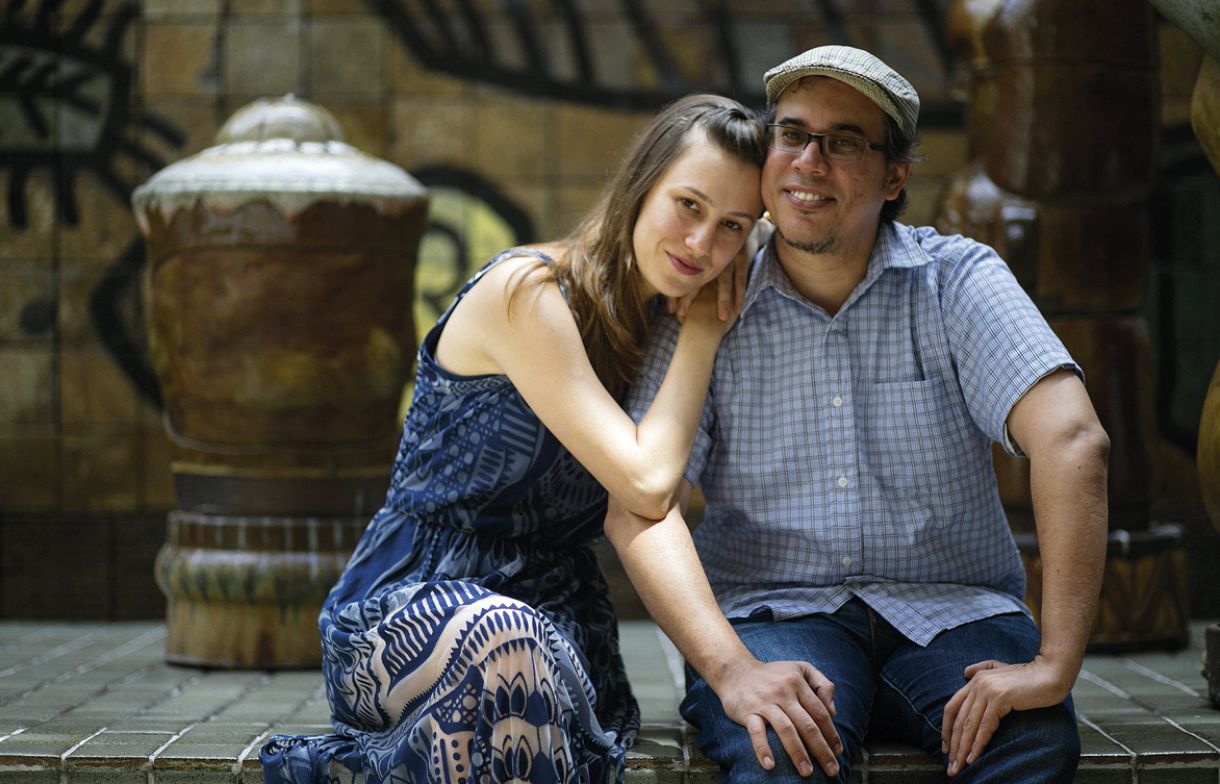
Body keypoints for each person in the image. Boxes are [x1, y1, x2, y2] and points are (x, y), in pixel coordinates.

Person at [606, 46, 1110, 783]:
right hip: (775, 616)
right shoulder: (708, 288)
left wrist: (1056, 666)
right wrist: (732, 670)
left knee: (1031, 737)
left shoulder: (957, 282)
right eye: (792, 133)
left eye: (843, 142)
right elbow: (642, 504)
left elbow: (1073, 441)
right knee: (776, 746)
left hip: (954, 613)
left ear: (896, 173)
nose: (809, 160)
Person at [259, 94, 766, 784]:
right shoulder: (528, 292)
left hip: (559, 628)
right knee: (501, 638)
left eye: (732, 226)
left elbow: (659, 496)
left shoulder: (657, 334)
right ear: (640, 186)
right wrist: (705, 331)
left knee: (517, 648)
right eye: (690, 205)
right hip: (409, 615)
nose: (702, 245)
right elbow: (646, 483)